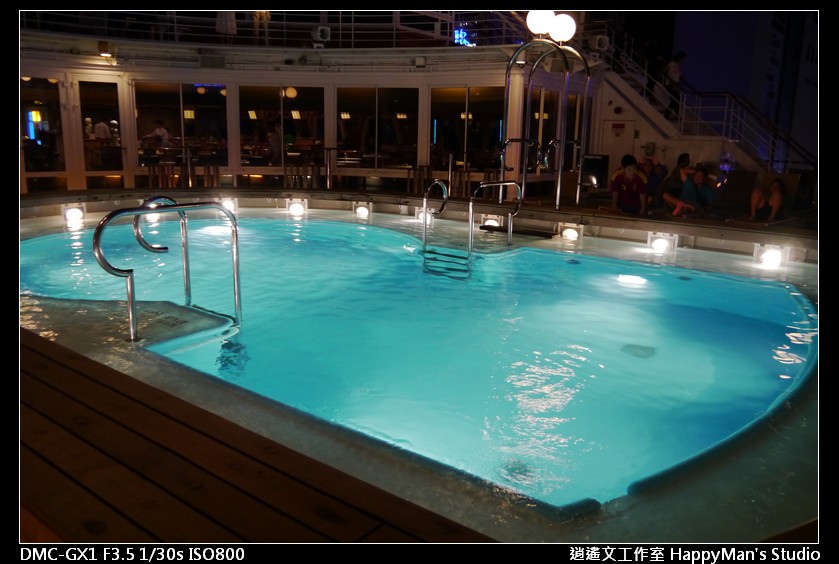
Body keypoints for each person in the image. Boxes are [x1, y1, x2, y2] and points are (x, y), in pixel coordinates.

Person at [660, 152, 697, 216]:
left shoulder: (684, 170)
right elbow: (688, 178)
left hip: (680, 192)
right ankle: (684, 206)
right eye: (687, 161)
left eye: (689, 161)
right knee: (665, 195)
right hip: (675, 191)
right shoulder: (678, 169)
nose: (688, 163)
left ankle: (682, 208)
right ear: (682, 162)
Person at [663, 51, 686, 121]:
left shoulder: (677, 66)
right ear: (679, 58)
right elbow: (670, 74)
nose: (682, 61)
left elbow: (677, 76)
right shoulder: (672, 65)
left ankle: (676, 115)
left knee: (677, 100)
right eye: (682, 59)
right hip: (671, 84)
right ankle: (667, 115)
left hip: (675, 86)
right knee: (674, 100)